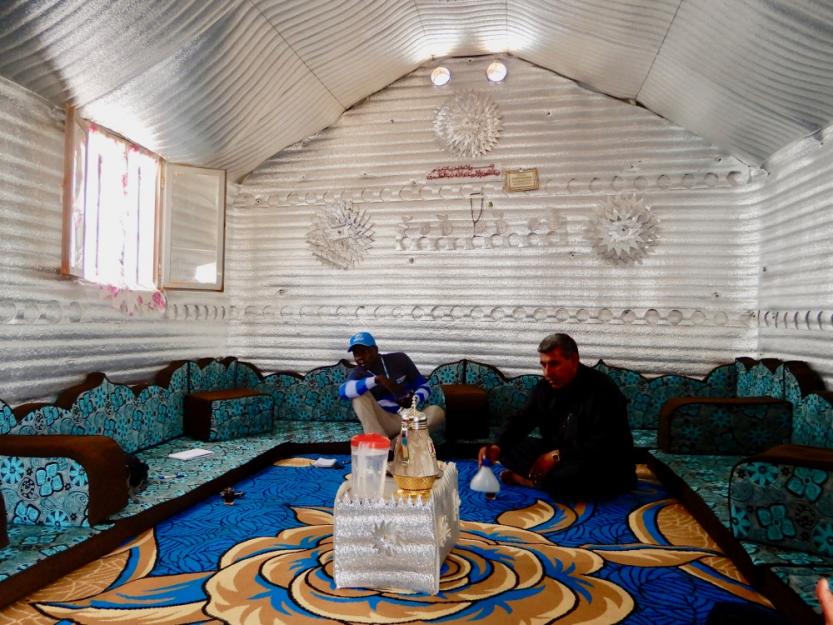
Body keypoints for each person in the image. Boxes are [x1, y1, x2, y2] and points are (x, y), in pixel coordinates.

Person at [478, 332, 635, 498]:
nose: (547, 373)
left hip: (599, 461)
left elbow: (603, 443)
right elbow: (523, 419)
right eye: (543, 365)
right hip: (558, 453)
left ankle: (531, 481)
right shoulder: (546, 387)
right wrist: (498, 445)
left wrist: (557, 455)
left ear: (574, 360)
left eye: (554, 364)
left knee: (569, 479)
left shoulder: (602, 389)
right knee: (509, 449)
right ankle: (544, 479)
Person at [338, 331, 445, 438]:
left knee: (437, 412)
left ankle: (393, 446)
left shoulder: (399, 359)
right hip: (385, 421)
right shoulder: (359, 372)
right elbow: (343, 392)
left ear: (375, 349)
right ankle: (380, 441)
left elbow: (425, 386)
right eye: (355, 353)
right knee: (358, 397)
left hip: (409, 417)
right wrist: (376, 380)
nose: (359, 357)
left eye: (364, 351)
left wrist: (414, 400)